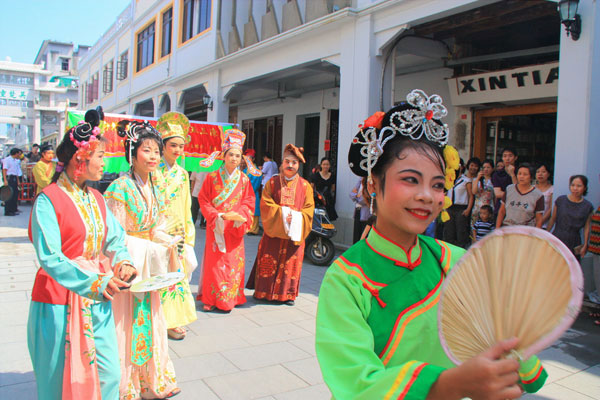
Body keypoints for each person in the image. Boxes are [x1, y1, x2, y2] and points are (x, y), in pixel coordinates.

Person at [315, 90, 546, 399]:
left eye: (437, 184)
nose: (427, 195)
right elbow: (357, 384)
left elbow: (498, 334)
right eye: (411, 179)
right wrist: (451, 384)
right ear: (373, 182)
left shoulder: (454, 260)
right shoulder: (346, 280)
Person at [27, 109, 135, 400]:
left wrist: (123, 261)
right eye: (100, 156)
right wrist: (95, 282)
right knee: (58, 378)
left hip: (96, 298)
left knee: (109, 373)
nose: (105, 162)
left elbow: (115, 237)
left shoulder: (96, 197)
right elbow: (50, 257)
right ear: (79, 160)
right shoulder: (48, 201)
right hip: (58, 299)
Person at [104, 120, 180, 399]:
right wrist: (146, 249)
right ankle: (127, 385)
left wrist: (169, 243)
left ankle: (151, 379)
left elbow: (157, 226)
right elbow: (114, 238)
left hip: (150, 266)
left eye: (156, 152)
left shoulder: (155, 187)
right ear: (132, 153)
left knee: (151, 320)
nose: (153, 157)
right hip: (131, 267)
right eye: (146, 150)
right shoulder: (119, 188)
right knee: (127, 323)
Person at [246, 144, 315, 306]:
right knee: (268, 262)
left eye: (294, 162)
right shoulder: (272, 182)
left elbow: (309, 209)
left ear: (298, 165)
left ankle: (287, 294)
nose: (290, 165)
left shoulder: (305, 186)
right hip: (274, 232)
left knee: (290, 265)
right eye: (287, 161)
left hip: (294, 233)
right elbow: (265, 203)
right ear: (281, 163)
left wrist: (297, 217)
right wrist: (283, 214)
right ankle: (263, 292)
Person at [197, 129, 257, 311]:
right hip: (217, 226)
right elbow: (203, 199)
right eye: (231, 154)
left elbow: (249, 201)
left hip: (235, 227)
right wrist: (217, 216)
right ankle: (211, 299)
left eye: (238, 156)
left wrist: (239, 215)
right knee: (214, 263)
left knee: (232, 262)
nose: (234, 158)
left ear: (241, 159)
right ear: (224, 155)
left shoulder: (244, 180)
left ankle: (231, 298)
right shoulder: (212, 177)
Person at [156, 112, 198, 340]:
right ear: (162, 146)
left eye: (181, 146)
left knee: (176, 278)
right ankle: (158, 319)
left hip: (178, 235)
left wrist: (188, 237)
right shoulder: (152, 172)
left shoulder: (182, 174)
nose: (178, 150)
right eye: (173, 145)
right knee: (159, 276)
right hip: (157, 234)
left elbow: (186, 207)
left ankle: (173, 321)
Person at [547, 175, 594, 260]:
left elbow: (587, 227)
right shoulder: (561, 200)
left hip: (574, 241)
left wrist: (585, 244)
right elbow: (552, 219)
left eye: (579, 186)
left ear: (585, 188)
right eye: (572, 185)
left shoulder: (587, 206)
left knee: (571, 268)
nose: (575, 188)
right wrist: (546, 234)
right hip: (558, 237)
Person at [443, 158, 478, 248]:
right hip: (450, 207)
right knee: (449, 232)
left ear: (462, 167)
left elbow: (471, 196)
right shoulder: (449, 179)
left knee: (460, 232)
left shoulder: (466, 180)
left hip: (461, 208)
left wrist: (468, 209)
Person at [496, 163, 544, 228]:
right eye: (519, 174)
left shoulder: (538, 195)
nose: (521, 176)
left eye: (525, 174)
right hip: (508, 227)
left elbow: (539, 219)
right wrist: (497, 229)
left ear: (531, 177)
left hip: (526, 230)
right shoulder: (509, 189)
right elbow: (502, 211)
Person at [242, 148, 263, 235]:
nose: (247, 160)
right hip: (244, 193)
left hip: (252, 193)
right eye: (246, 158)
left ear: (253, 159)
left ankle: (254, 229)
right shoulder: (244, 170)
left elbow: (255, 184)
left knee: (254, 211)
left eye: (249, 158)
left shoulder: (256, 171)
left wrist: (247, 190)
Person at [492, 147, 518, 211]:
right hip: (501, 207)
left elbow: (519, 189)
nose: (507, 158)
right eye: (505, 156)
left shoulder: (520, 172)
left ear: (515, 157)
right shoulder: (497, 174)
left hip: (516, 207)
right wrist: (514, 194)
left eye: (510, 156)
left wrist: (512, 175)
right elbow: (498, 193)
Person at [471, 159, 495, 228]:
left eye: (488, 167)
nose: (486, 169)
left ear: (492, 169)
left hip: (489, 208)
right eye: (484, 167)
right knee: (475, 229)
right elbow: (474, 191)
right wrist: (478, 178)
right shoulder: (477, 180)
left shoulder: (493, 180)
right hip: (477, 208)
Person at [2, 148, 23, 216]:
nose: (19, 155)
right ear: (16, 153)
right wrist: (5, 180)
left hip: (14, 178)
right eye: (18, 154)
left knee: (15, 195)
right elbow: (4, 170)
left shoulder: (15, 161)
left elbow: (16, 172)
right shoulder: (7, 160)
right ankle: (8, 211)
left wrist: (18, 181)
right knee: (9, 195)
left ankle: (13, 209)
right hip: (9, 178)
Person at [350, 177, 371, 243]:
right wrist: (357, 196)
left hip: (366, 213)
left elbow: (364, 199)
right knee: (356, 234)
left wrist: (356, 196)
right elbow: (351, 194)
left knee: (364, 235)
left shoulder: (370, 183)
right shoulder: (360, 180)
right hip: (357, 210)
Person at [535, 163, 554, 229]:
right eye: (538, 172)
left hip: (544, 225)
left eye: (543, 172)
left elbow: (551, 209)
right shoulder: (531, 188)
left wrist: (540, 222)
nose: (540, 174)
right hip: (530, 224)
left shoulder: (552, 189)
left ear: (548, 174)